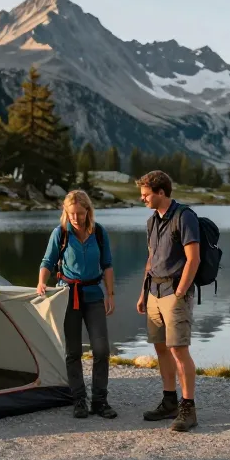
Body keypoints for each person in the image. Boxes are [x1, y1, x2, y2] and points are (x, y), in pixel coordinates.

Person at [38, 190, 117, 419]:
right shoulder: (60, 233)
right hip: (68, 296)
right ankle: (79, 399)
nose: (75, 218)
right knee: (73, 351)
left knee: (101, 349)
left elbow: (107, 265)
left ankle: (100, 401)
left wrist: (110, 294)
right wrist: (41, 282)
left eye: (80, 213)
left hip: (94, 296)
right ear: (66, 212)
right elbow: (48, 261)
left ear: (88, 211)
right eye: (71, 213)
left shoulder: (99, 232)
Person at [136, 170, 200, 432]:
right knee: (161, 348)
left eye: (146, 194)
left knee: (178, 350)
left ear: (161, 192)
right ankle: (170, 401)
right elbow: (151, 259)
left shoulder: (184, 217)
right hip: (153, 292)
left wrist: (181, 291)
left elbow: (193, 258)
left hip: (174, 293)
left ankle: (188, 408)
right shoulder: (152, 221)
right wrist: (143, 292)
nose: (142, 199)